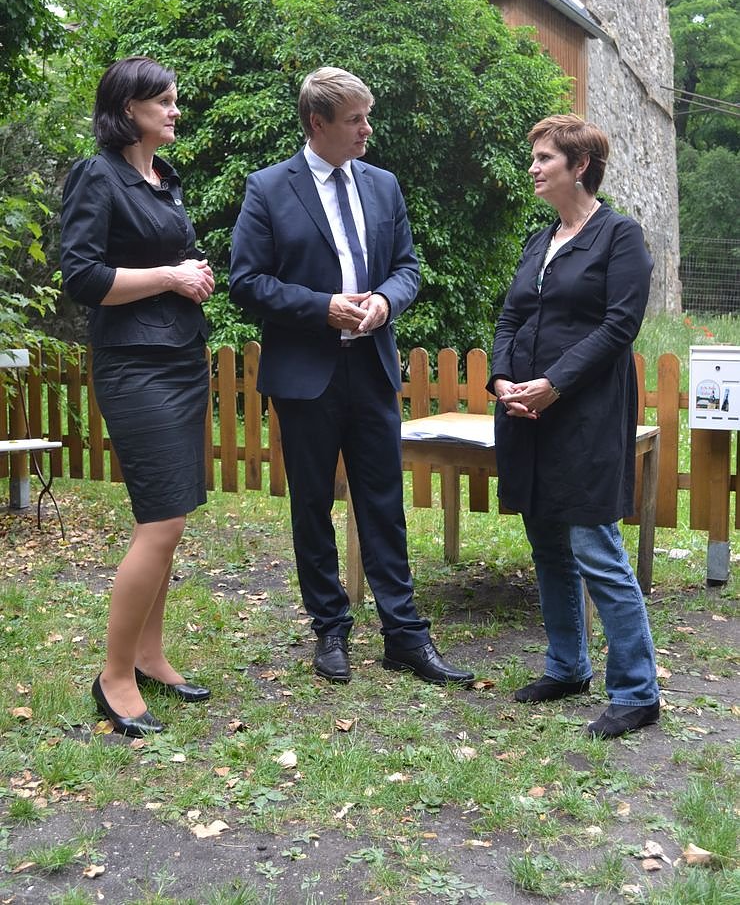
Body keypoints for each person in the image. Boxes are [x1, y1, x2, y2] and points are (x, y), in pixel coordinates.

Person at [229, 66, 473, 687]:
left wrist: (386, 301)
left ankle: (404, 636)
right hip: (304, 374)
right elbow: (246, 282)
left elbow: (407, 268)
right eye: (355, 120)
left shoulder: (383, 185)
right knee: (312, 504)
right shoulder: (268, 188)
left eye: (367, 117)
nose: (367, 130)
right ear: (318, 123)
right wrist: (322, 307)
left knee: (383, 502)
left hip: (371, 366)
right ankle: (330, 629)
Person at [487, 114, 660, 739]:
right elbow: (510, 318)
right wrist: (502, 380)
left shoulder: (620, 236)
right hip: (527, 413)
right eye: (534, 157)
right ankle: (567, 667)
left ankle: (637, 692)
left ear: (579, 166)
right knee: (548, 546)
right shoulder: (541, 240)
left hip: (584, 414)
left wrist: (554, 383)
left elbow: (619, 326)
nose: (533, 167)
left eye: (544, 158)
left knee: (595, 548)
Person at [60, 56, 215, 737]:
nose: (175, 111)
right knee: (161, 522)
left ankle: (150, 656)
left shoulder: (162, 178)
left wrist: (189, 276)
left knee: (169, 514)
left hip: (180, 358)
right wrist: (171, 277)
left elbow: (165, 262)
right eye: (164, 101)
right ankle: (114, 676)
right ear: (129, 109)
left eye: (175, 100)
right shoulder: (98, 175)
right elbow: (83, 277)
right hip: (135, 366)